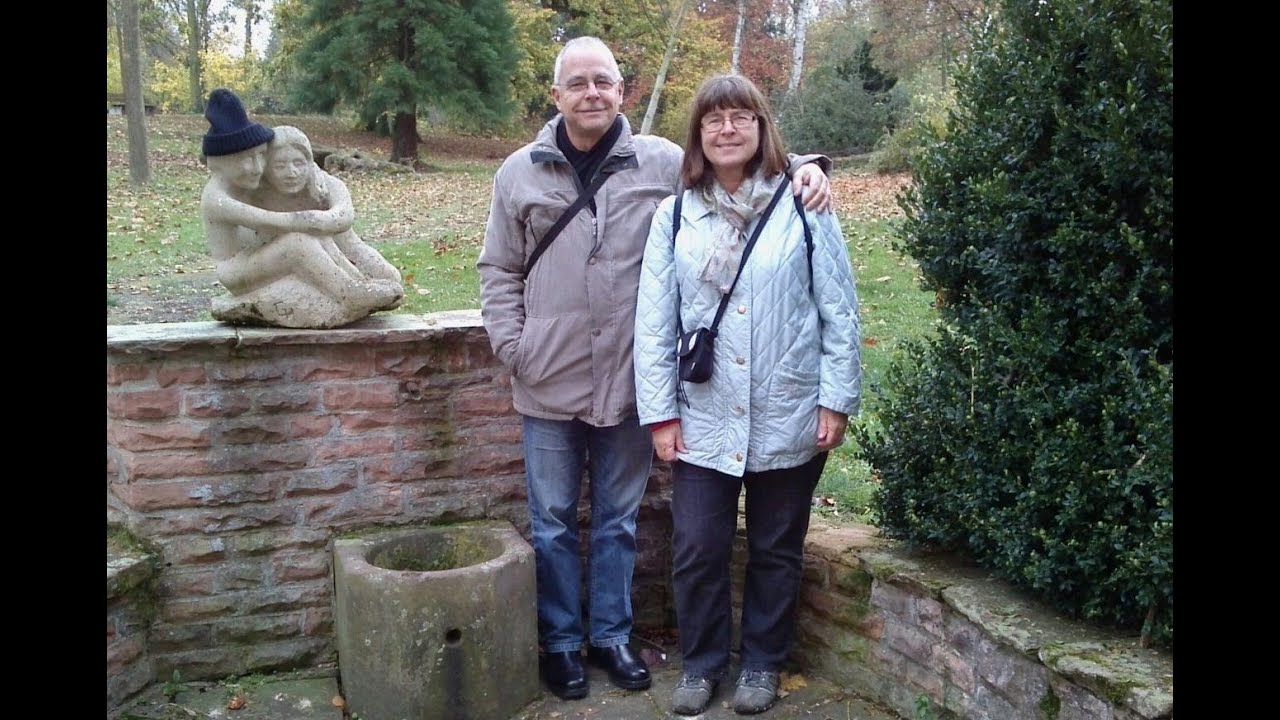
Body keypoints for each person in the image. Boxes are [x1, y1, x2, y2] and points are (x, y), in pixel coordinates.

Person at [476, 37, 833, 701]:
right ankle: (560, 644)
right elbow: (497, 266)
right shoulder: (518, 173)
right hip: (546, 378)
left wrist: (809, 167)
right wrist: (512, 345)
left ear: (622, 92)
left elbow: (742, 173)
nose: (591, 93)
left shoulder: (661, 161)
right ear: (556, 96)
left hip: (630, 381)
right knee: (551, 520)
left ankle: (611, 635)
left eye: (603, 82)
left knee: (617, 519)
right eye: (577, 83)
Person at [632, 74, 861, 716]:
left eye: (741, 117)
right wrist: (660, 414)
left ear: (761, 129)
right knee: (698, 547)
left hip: (788, 407)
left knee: (776, 547)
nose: (727, 129)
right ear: (698, 136)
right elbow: (653, 321)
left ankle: (762, 663)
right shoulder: (674, 214)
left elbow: (838, 308)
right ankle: (702, 664)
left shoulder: (805, 205)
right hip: (704, 413)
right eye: (714, 120)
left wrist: (835, 399)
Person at [199, 89, 401, 327]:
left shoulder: (247, 181)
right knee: (297, 243)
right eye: (245, 159)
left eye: (260, 156)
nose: (255, 167)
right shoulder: (217, 199)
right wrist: (314, 220)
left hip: (255, 256)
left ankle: (356, 282)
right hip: (236, 273)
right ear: (219, 162)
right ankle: (350, 295)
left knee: (315, 238)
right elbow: (274, 222)